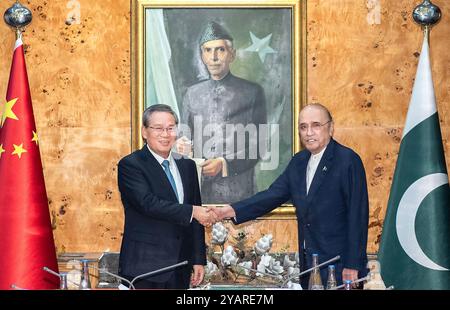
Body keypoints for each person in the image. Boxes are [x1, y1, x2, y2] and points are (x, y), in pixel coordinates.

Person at [211, 103, 369, 288]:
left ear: (331, 127)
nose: (309, 132)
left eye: (316, 125)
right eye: (303, 127)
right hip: (310, 264)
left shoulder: (347, 160)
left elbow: (357, 215)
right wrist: (230, 210)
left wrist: (353, 264)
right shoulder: (298, 162)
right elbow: (272, 195)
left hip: (341, 266)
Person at [117, 104, 216, 289]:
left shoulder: (187, 166)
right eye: (158, 128)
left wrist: (198, 259)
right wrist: (193, 211)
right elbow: (147, 204)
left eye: (170, 128)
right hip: (145, 268)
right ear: (144, 132)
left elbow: (195, 217)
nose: (165, 134)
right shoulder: (131, 165)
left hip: (181, 267)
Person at [179, 21, 267, 204]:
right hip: (199, 192)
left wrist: (225, 164)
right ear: (202, 56)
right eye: (208, 50)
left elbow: (259, 146)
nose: (214, 57)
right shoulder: (191, 94)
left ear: (232, 54)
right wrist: (182, 148)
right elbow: (184, 138)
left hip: (239, 193)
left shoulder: (252, 92)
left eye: (220, 50)